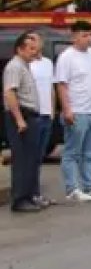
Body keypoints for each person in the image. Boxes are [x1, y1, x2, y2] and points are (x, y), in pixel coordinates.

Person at [55, 20, 91, 202]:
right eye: (84, 35)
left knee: (90, 153)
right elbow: (61, 85)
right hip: (78, 111)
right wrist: (67, 109)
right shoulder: (66, 57)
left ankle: (89, 186)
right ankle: (72, 189)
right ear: (74, 37)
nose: (89, 39)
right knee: (72, 152)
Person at [3, 32, 45, 212]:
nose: (35, 52)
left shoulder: (25, 65)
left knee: (30, 158)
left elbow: (39, 53)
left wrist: (36, 48)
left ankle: (29, 196)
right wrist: (19, 119)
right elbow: (10, 93)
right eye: (31, 48)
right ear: (20, 49)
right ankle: (19, 199)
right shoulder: (15, 67)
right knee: (21, 159)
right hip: (22, 116)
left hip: (30, 116)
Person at [27, 32, 56, 207]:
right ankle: (30, 194)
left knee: (39, 158)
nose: (33, 43)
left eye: (35, 40)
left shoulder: (47, 63)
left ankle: (36, 193)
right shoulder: (27, 65)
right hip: (34, 116)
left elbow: (51, 88)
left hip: (46, 116)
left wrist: (52, 110)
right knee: (30, 157)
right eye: (29, 40)